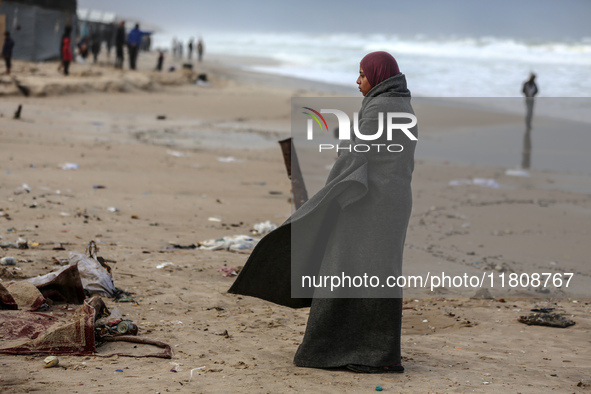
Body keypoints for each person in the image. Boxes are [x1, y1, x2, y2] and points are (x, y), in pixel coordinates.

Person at [229, 51, 417, 374]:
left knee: (343, 268)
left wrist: (327, 195)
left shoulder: (379, 109)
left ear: (378, 75)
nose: (357, 81)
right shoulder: (402, 106)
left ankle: (340, 349)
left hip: (368, 206)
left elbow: (354, 158)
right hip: (394, 204)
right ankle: (382, 352)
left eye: (362, 74)